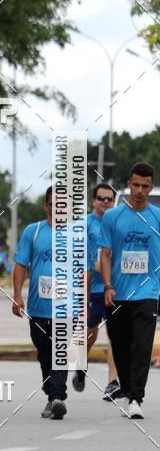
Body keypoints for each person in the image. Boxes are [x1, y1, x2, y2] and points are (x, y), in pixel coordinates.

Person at [100, 163, 160, 419]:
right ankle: (126, 388)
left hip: (148, 292)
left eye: (145, 186)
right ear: (128, 184)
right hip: (118, 294)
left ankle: (136, 398)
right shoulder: (112, 217)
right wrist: (107, 286)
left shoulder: (157, 216)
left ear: (151, 187)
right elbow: (105, 254)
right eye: (136, 185)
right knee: (121, 347)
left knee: (142, 347)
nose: (140, 191)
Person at [13, 187, 69, 420]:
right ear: (46, 206)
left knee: (61, 351)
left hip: (66, 306)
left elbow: (83, 271)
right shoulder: (33, 231)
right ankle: (52, 394)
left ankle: (57, 397)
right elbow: (20, 264)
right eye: (54, 204)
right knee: (45, 353)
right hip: (38, 307)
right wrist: (17, 295)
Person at [72, 183, 120, 399]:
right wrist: (93, 263)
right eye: (101, 198)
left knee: (115, 334)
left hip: (115, 287)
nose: (106, 202)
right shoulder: (83, 224)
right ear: (93, 201)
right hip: (92, 288)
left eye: (109, 199)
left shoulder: (118, 222)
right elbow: (75, 256)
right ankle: (81, 364)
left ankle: (112, 382)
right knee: (91, 331)